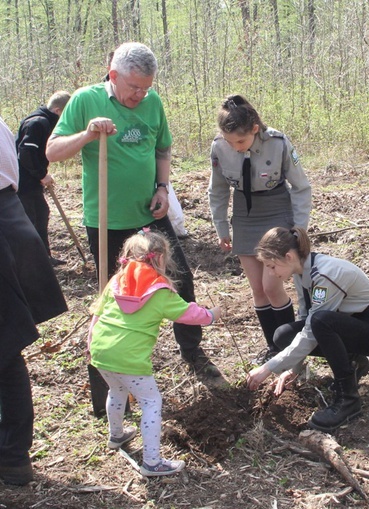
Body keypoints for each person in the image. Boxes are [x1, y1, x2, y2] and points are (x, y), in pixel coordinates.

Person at [45, 42, 221, 383]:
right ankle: (113, 368)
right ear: (114, 75)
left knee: (180, 280)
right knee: (115, 294)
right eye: (134, 87)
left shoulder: (152, 102)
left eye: (146, 88)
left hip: (149, 217)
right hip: (106, 220)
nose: (140, 95)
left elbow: (162, 146)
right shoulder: (85, 99)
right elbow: (52, 152)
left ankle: (192, 351)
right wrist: (87, 134)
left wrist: (162, 187)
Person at [88, 230, 221, 476]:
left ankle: (116, 435)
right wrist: (211, 315)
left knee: (116, 390)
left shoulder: (116, 280)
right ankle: (152, 462)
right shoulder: (159, 291)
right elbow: (189, 314)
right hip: (129, 358)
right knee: (151, 402)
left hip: (100, 349)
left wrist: (90, 341)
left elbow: (97, 311)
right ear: (159, 258)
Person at [245, 226, 369, 432]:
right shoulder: (302, 270)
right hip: (349, 323)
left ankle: (348, 399)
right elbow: (306, 318)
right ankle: (354, 363)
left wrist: (268, 368)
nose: (270, 273)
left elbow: (313, 328)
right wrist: (292, 368)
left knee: (321, 322)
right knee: (283, 334)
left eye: (271, 266)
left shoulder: (325, 275)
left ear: (288, 256)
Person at [208, 95, 311, 365]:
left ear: (254, 129)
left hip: (277, 210)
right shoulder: (219, 147)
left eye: (240, 142)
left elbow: (301, 187)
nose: (236, 148)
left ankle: (290, 351)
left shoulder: (278, 143)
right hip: (244, 212)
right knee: (257, 288)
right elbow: (218, 190)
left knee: (272, 285)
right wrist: (221, 226)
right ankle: (272, 349)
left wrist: (298, 229)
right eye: (230, 142)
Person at [0, 116, 67, 486]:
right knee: (6, 353)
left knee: (6, 353)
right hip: (11, 222)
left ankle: (11, 457)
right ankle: (12, 457)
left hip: (5, 224)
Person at [15, 91, 71, 265]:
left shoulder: (44, 122)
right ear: (57, 110)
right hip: (23, 182)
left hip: (31, 182)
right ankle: (30, 262)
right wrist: (41, 174)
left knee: (41, 213)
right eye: (65, 114)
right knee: (30, 220)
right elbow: (25, 153)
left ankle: (44, 258)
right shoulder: (38, 123)